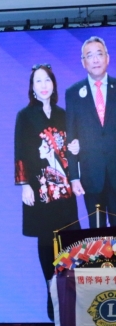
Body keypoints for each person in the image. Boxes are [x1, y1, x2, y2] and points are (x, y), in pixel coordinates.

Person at [15, 64, 80, 319]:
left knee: (69, 240)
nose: (43, 86)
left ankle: (70, 293)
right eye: (38, 81)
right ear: (32, 87)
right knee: (46, 241)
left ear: (54, 84)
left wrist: (76, 148)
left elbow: (74, 147)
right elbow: (20, 150)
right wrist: (24, 185)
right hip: (40, 189)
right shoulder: (25, 115)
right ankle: (51, 293)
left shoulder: (64, 114)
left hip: (65, 191)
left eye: (47, 81)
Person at [66, 36, 116, 224]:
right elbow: (71, 137)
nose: (95, 60)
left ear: (107, 58)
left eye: (99, 54)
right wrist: (74, 177)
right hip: (91, 177)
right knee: (97, 232)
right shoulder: (73, 93)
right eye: (90, 56)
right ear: (83, 62)